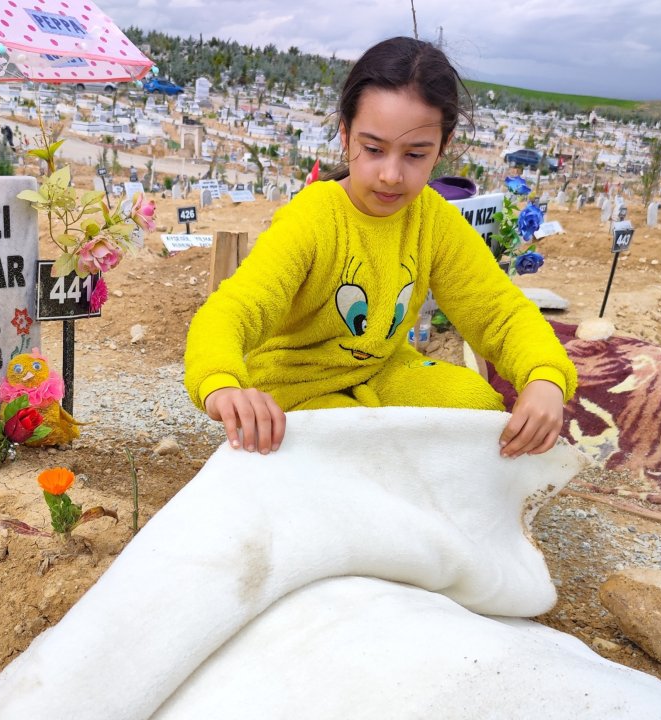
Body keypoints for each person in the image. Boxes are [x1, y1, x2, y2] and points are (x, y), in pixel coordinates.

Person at [183, 36, 576, 458]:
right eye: (373, 149)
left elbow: (498, 311)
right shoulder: (314, 218)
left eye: (415, 155)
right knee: (346, 450)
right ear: (345, 135)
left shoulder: (433, 219)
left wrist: (544, 377)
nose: (391, 174)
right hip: (294, 386)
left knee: (474, 409)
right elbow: (235, 309)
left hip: (382, 370)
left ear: (442, 148)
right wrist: (222, 385)